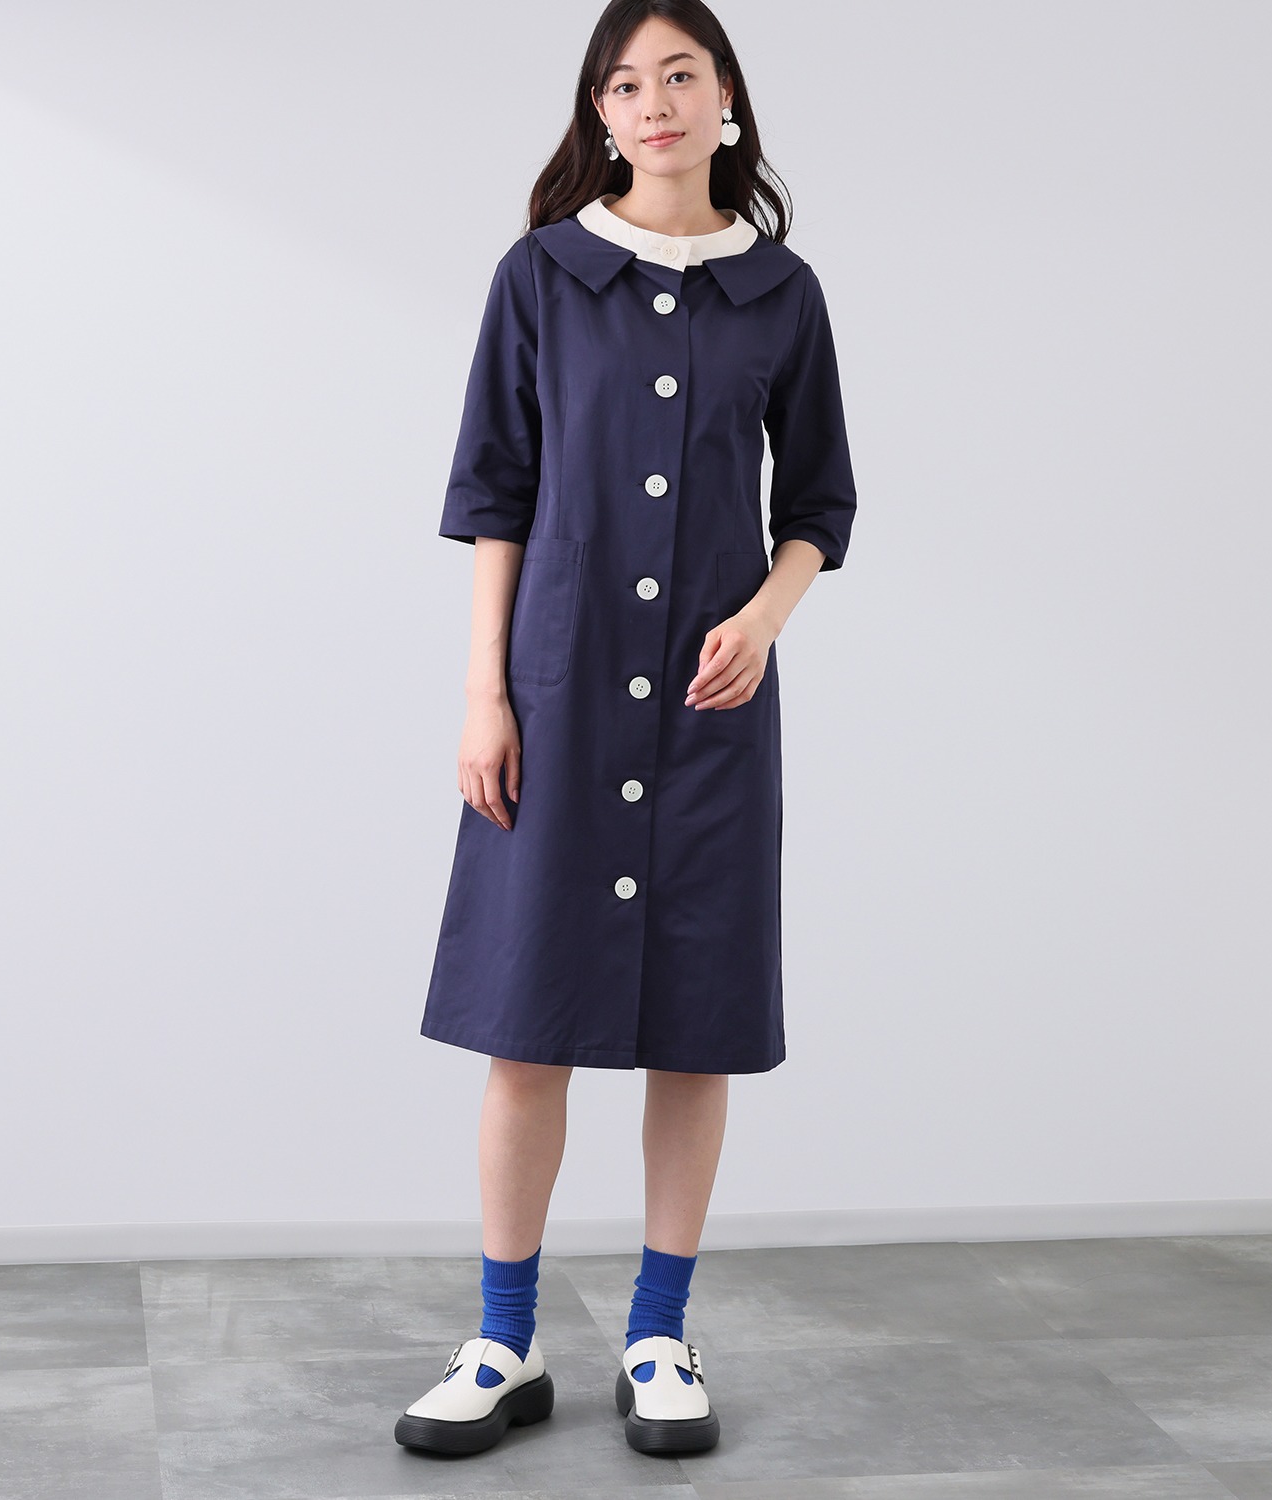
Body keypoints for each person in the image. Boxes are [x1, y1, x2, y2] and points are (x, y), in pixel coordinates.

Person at [395, 0, 857, 1460]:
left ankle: (660, 1335)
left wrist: (766, 616)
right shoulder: (542, 275)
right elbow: (497, 493)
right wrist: (486, 692)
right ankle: (504, 1339)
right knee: (524, 1026)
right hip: (557, 697)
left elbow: (820, 505)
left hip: (713, 718)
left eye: (679, 75)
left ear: (726, 100)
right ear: (600, 114)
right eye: (624, 84)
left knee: (694, 1033)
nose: (652, 102)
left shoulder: (780, 295)